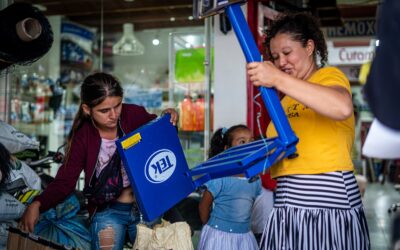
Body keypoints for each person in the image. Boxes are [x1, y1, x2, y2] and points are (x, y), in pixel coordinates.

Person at [247, 13, 370, 249]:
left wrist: (277, 78)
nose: (281, 62)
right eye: (275, 57)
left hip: (327, 205)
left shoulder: (328, 77)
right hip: (287, 206)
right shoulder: (285, 99)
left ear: (309, 46)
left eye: (287, 52)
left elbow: (341, 106)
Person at [19, 72, 179, 250]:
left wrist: (169, 118)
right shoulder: (83, 137)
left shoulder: (133, 114)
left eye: (117, 106)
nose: (113, 115)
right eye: (104, 110)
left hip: (147, 208)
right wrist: (37, 204)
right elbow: (65, 182)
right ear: (87, 109)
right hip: (108, 212)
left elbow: (161, 138)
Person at [197, 125, 261, 250]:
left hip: (244, 238)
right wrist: (209, 227)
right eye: (242, 142)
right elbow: (203, 206)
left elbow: (250, 207)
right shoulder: (219, 176)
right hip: (218, 237)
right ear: (227, 149)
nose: (248, 146)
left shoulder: (255, 179)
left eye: (251, 141)